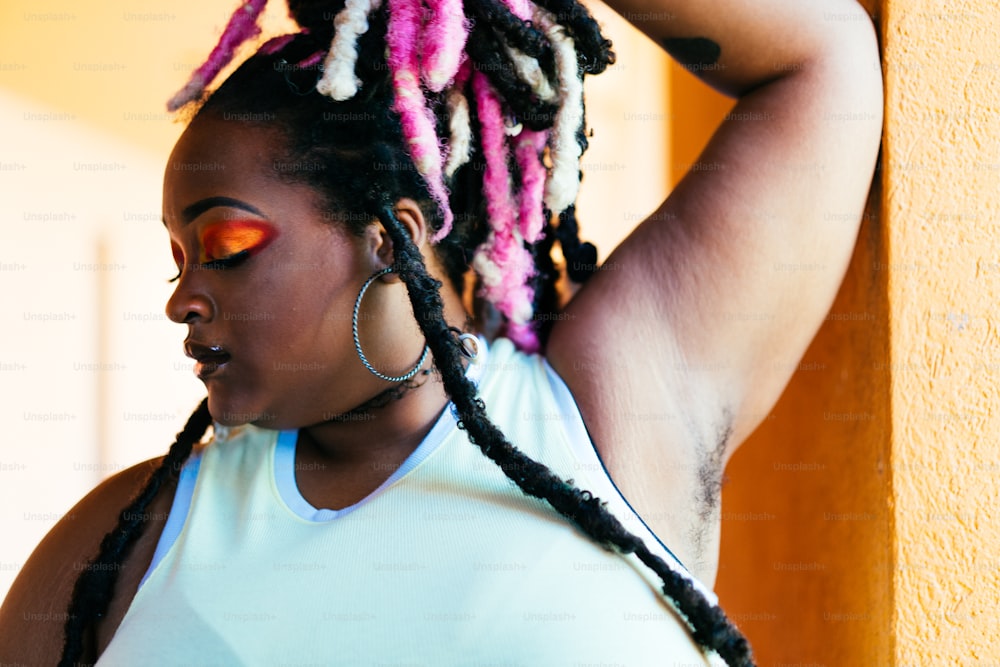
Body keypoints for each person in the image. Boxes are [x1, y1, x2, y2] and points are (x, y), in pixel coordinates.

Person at [0, 0, 882, 664]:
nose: (182, 298)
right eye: (177, 258)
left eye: (226, 247)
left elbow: (822, 66)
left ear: (393, 240)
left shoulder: (606, 414)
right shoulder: (121, 545)